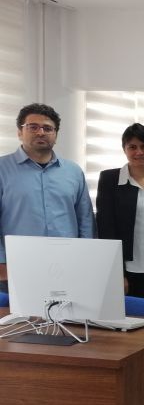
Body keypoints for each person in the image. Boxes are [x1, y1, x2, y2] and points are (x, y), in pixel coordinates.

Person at [0, 103, 94, 286]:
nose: (41, 132)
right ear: (19, 132)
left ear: (55, 135)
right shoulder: (2, 169)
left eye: (47, 128)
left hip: (67, 266)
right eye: (33, 127)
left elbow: (85, 221)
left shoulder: (73, 172)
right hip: (15, 267)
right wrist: (1, 261)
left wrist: (86, 257)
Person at [96, 123, 144, 302]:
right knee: (124, 316)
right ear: (124, 149)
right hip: (126, 269)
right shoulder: (110, 180)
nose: (139, 152)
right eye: (132, 147)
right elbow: (106, 229)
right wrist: (118, 273)